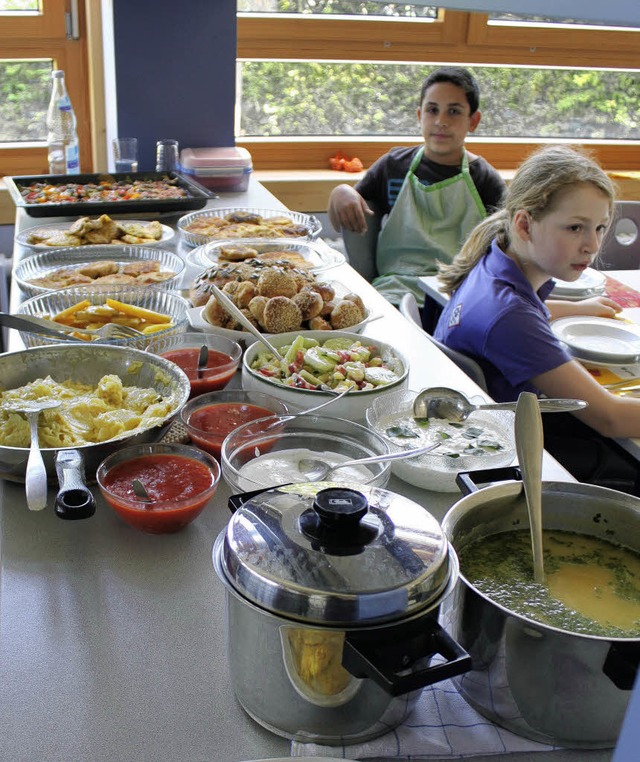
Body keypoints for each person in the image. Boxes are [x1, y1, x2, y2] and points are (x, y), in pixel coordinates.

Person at [433, 144, 640, 489]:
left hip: (505, 430)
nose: (592, 245)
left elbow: (523, 314)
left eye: (601, 227)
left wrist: (575, 309)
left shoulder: (497, 262)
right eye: (575, 228)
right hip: (522, 458)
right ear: (525, 225)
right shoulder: (511, 318)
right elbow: (610, 418)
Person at [327, 66, 506, 308]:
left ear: (473, 121)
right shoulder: (393, 166)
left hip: (456, 296)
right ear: (420, 115)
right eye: (433, 110)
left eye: (454, 111)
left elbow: (509, 245)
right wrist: (342, 191)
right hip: (392, 290)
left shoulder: (485, 179)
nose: (441, 121)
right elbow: (347, 216)